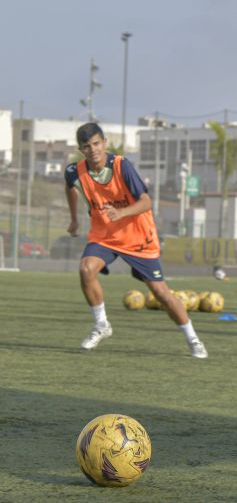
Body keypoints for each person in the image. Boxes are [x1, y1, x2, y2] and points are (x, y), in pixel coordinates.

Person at [65, 123, 207, 359]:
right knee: (86, 269)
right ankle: (102, 325)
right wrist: (73, 220)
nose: (93, 150)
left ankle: (193, 338)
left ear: (105, 143)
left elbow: (146, 202)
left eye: (97, 144)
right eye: (87, 147)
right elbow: (70, 186)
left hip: (138, 236)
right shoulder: (74, 171)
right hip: (105, 235)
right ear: (81, 149)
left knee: (161, 293)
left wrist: (120, 213)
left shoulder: (121, 165)